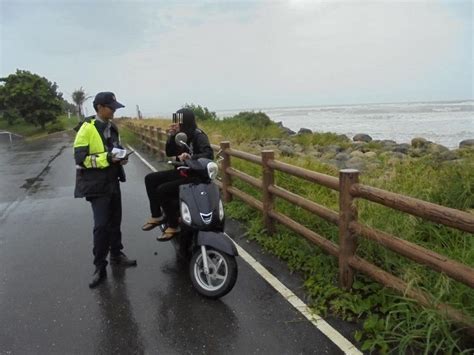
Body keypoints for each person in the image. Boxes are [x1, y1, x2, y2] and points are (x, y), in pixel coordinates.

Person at [73, 92, 137, 289]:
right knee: (101, 226)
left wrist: (121, 157)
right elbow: (80, 159)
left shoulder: (112, 126)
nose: (114, 110)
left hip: (112, 181)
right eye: (111, 107)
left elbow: (115, 148)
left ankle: (116, 254)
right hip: (96, 184)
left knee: (115, 221)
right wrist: (107, 159)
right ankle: (99, 266)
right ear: (100, 107)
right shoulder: (86, 129)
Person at [142, 108, 214, 240]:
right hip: (182, 172)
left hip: (196, 176)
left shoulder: (199, 135)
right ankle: (157, 215)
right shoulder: (180, 136)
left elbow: (209, 154)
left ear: (186, 121)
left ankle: (174, 225)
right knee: (150, 179)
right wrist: (172, 135)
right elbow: (170, 152)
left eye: (178, 122)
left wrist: (191, 157)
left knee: (163, 190)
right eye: (175, 122)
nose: (176, 124)